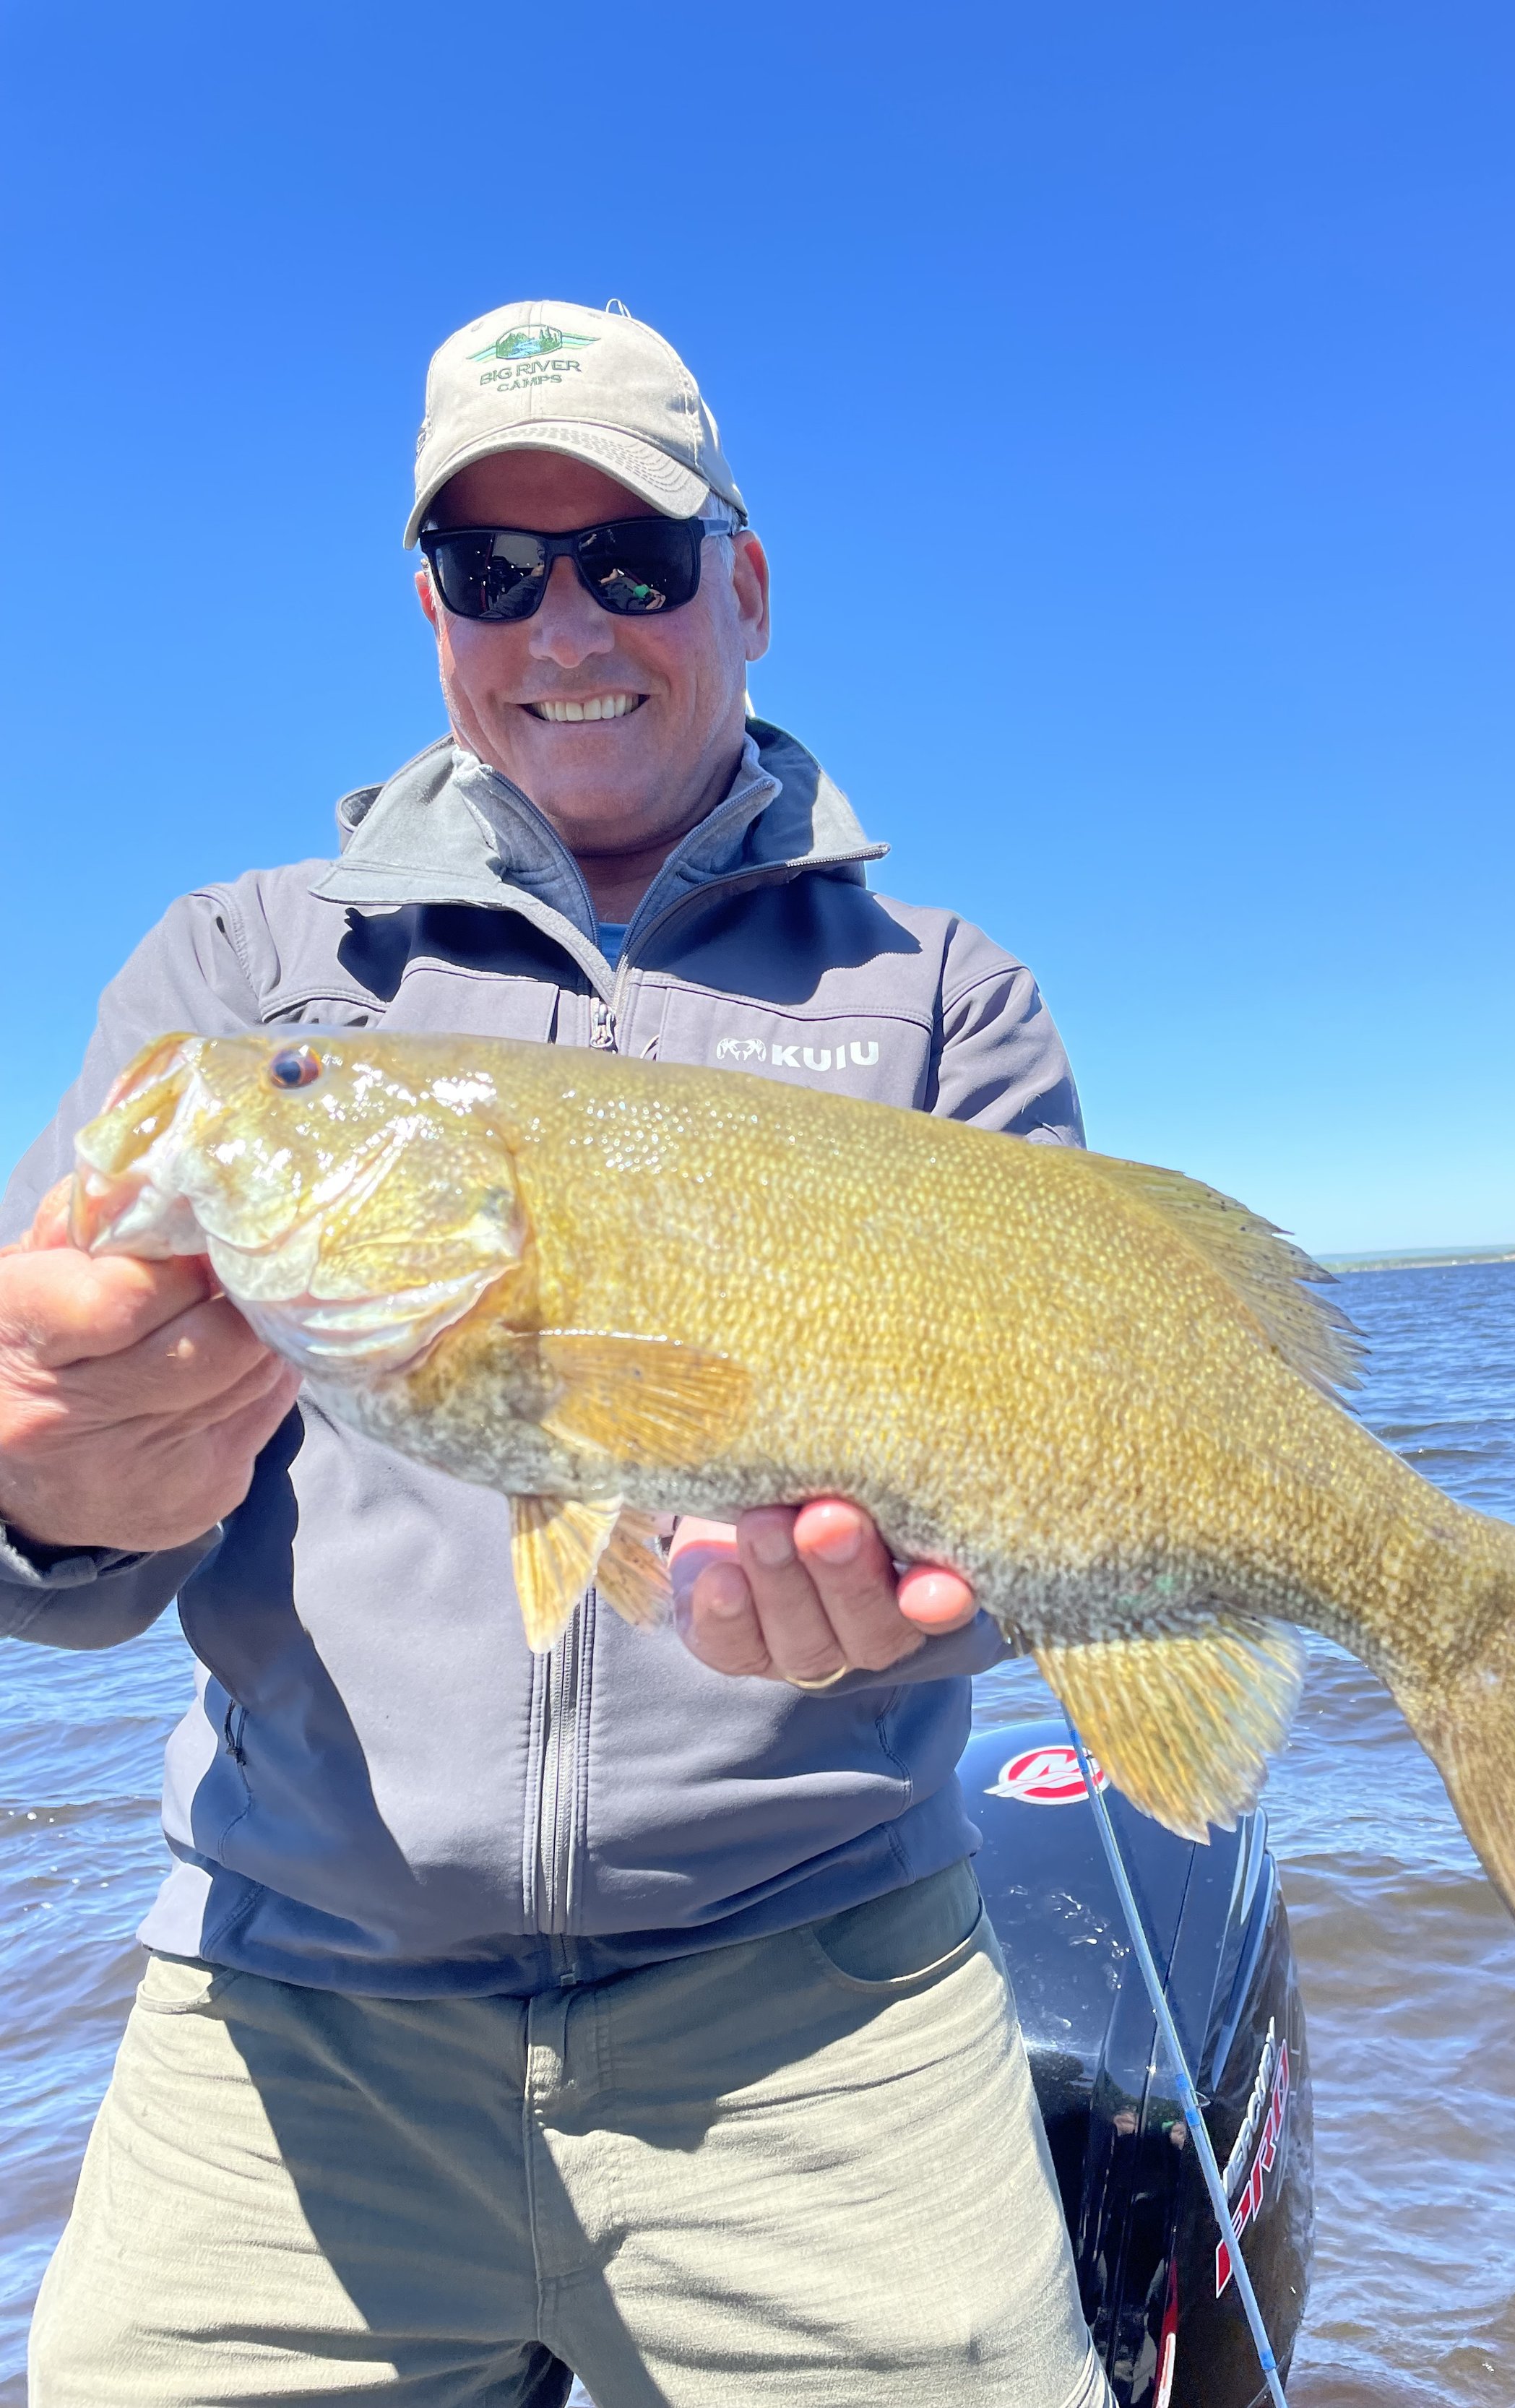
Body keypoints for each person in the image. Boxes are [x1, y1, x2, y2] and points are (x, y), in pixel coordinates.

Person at [0, 300, 1112, 2408]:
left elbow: (1027, 1526)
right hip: (291, 2020)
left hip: (823, 2006)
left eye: (630, 555)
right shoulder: (243, 976)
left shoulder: (946, 998)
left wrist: (898, 1628)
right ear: (432, 608)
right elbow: (56, 1543)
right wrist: (44, 1492)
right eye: (494, 572)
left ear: (745, 584)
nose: (562, 622)